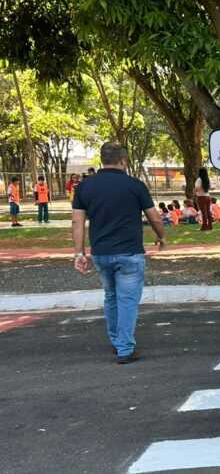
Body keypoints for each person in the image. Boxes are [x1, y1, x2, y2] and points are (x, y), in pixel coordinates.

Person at [72, 142, 166, 364]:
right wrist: (161, 236)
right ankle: (125, 348)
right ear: (123, 161)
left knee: (111, 296)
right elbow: (153, 216)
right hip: (129, 252)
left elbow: (77, 220)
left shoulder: (85, 187)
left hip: (101, 253)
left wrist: (79, 253)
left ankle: (117, 341)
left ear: (102, 160)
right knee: (127, 300)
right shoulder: (135, 185)